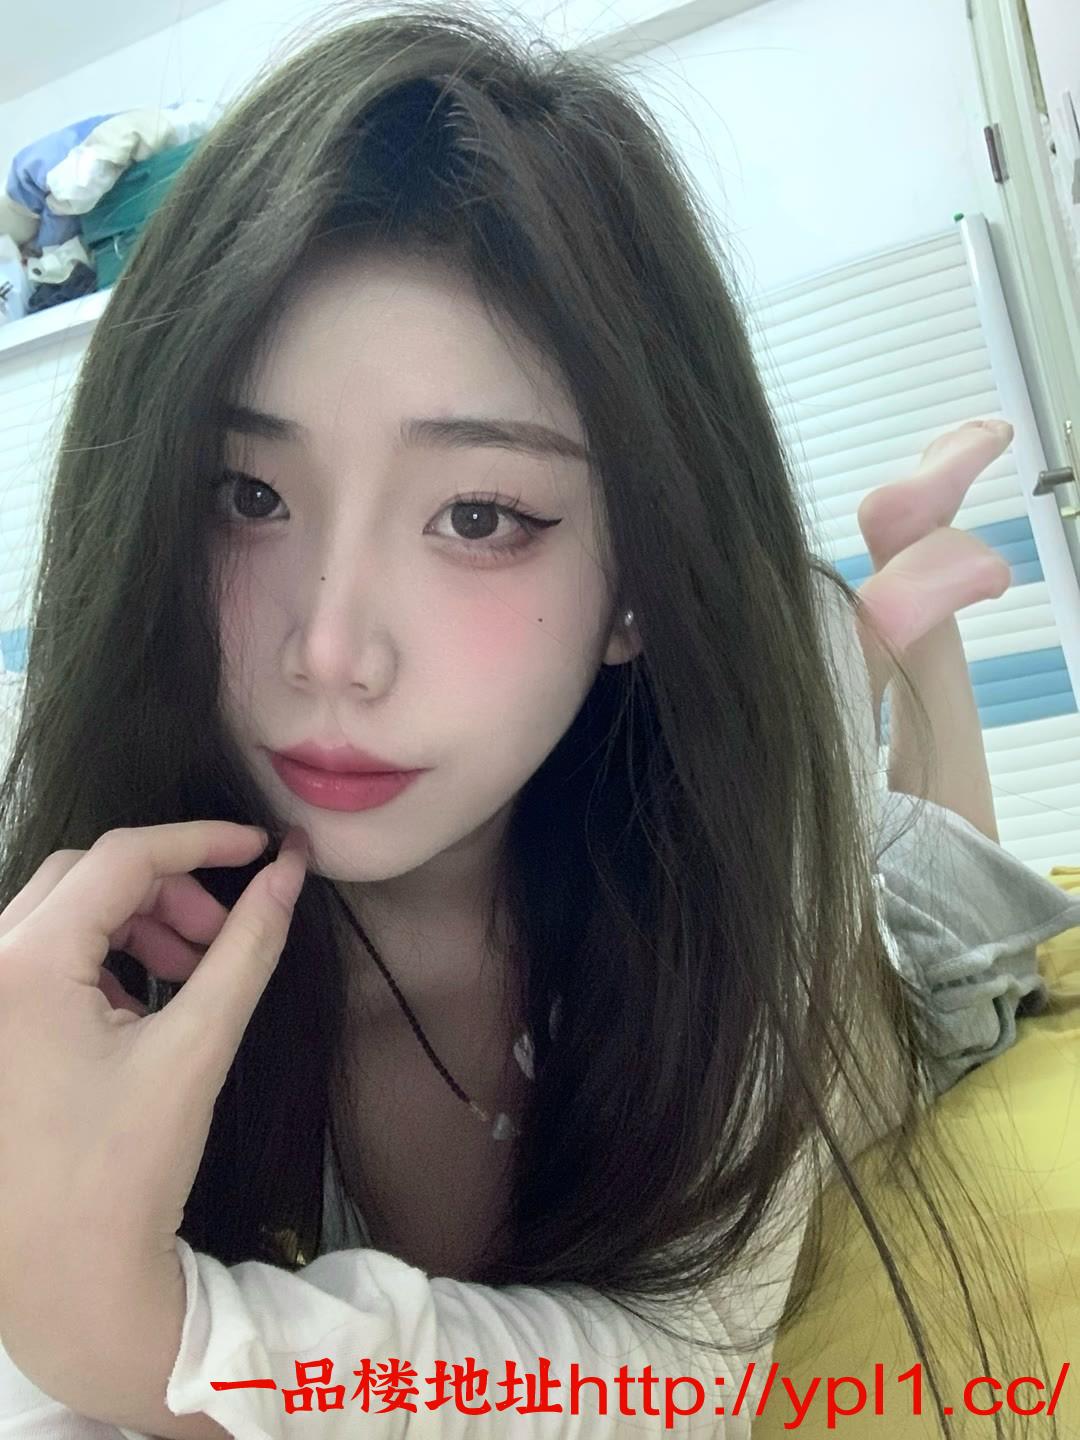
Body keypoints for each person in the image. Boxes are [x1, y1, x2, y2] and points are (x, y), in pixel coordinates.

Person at [1, 4, 1079, 1436]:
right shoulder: (99, 939)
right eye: (247, 496)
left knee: (953, 948)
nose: (330, 652)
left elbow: (687, 1366)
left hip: (858, 903)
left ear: (634, 582)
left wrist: (159, 1339)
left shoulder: (728, 871)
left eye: (479, 515)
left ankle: (897, 628)